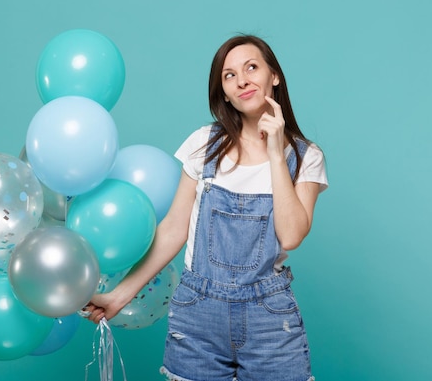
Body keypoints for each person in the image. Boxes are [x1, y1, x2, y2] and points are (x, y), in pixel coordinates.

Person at [84, 34, 328, 381]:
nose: (242, 80)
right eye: (229, 75)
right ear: (224, 91)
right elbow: (173, 229)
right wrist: (118, 296)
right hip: (197, 313)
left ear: (274, 76)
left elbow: (290, 236)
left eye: (251, 68)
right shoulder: (204, 144)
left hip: (269, 318)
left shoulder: (305, 157)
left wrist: (275, 151)